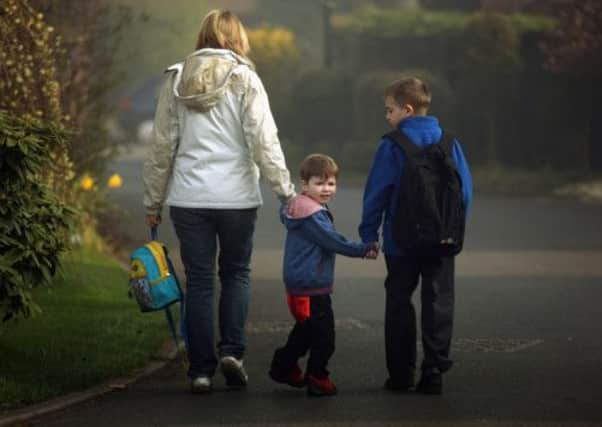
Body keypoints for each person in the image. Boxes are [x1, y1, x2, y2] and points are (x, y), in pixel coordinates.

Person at [143, 9, 296, 394]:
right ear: (238, 38)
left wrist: (153, 200)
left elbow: (163, 145)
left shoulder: (177, 80)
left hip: (189, 198)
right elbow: (264, 140)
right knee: (236, 273)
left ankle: (201, 370)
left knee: (198, 282)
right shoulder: (246, 78)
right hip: (237, 199)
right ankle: (232, 352)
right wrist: (286, 192)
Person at [359, 77, 472, 394]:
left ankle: (400, 374)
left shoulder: (391, 146)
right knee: (438, 301)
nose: (387, 116)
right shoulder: (450, 143)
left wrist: (370, 233)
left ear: (407, 110)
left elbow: (376, 193)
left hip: (401, 242)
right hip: (442, 241)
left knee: (399, 302)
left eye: (389, 110)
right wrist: (453, 228)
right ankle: (434, 371)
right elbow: (465, 192)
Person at [269, 154, 378, 397]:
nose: (326, 189)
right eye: (319, 183)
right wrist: (364, 249)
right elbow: (333, 241)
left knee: (306, 331)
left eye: (331, 183)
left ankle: (284, 366)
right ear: (304, 185)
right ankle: (317, 377)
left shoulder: (301, 207)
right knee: (324, 337)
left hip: (301, 282)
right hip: (311, 284)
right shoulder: (312, 215)